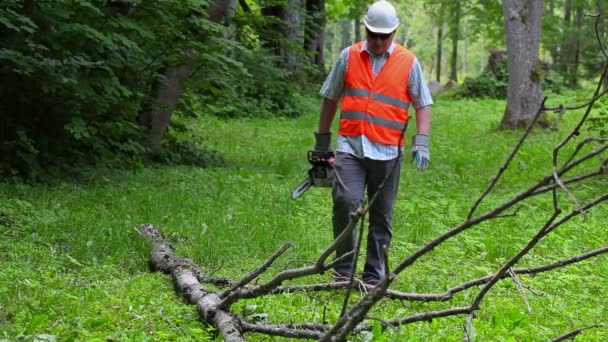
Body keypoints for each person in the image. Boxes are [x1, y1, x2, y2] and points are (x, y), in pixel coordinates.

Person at [313, 0, 433, 286]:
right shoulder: (349, 55)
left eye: (384, 36)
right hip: (350, 147)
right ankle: (343, 271)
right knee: (345, 201)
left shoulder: (408, 61)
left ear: (394, 33)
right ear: (366, 30)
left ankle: (373, 277)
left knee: (381, 215)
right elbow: (330, 96)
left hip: (388, 151)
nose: (378, 41)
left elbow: (423, 103)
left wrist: (422, 142)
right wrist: (322, 141)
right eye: (373, 34)